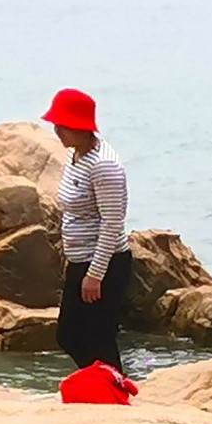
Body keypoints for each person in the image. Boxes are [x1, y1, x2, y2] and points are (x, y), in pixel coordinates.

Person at [48, 87, 131, 374]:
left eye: (62, 125)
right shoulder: (77, 156)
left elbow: (112, 222)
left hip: (103, 264)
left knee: (99, 338)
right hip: (79, 259)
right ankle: (104, 386)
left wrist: (95, 274)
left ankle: (114, 392)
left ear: (80, 127)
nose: (56, 130)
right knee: (69, 335)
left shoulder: (103, 164)